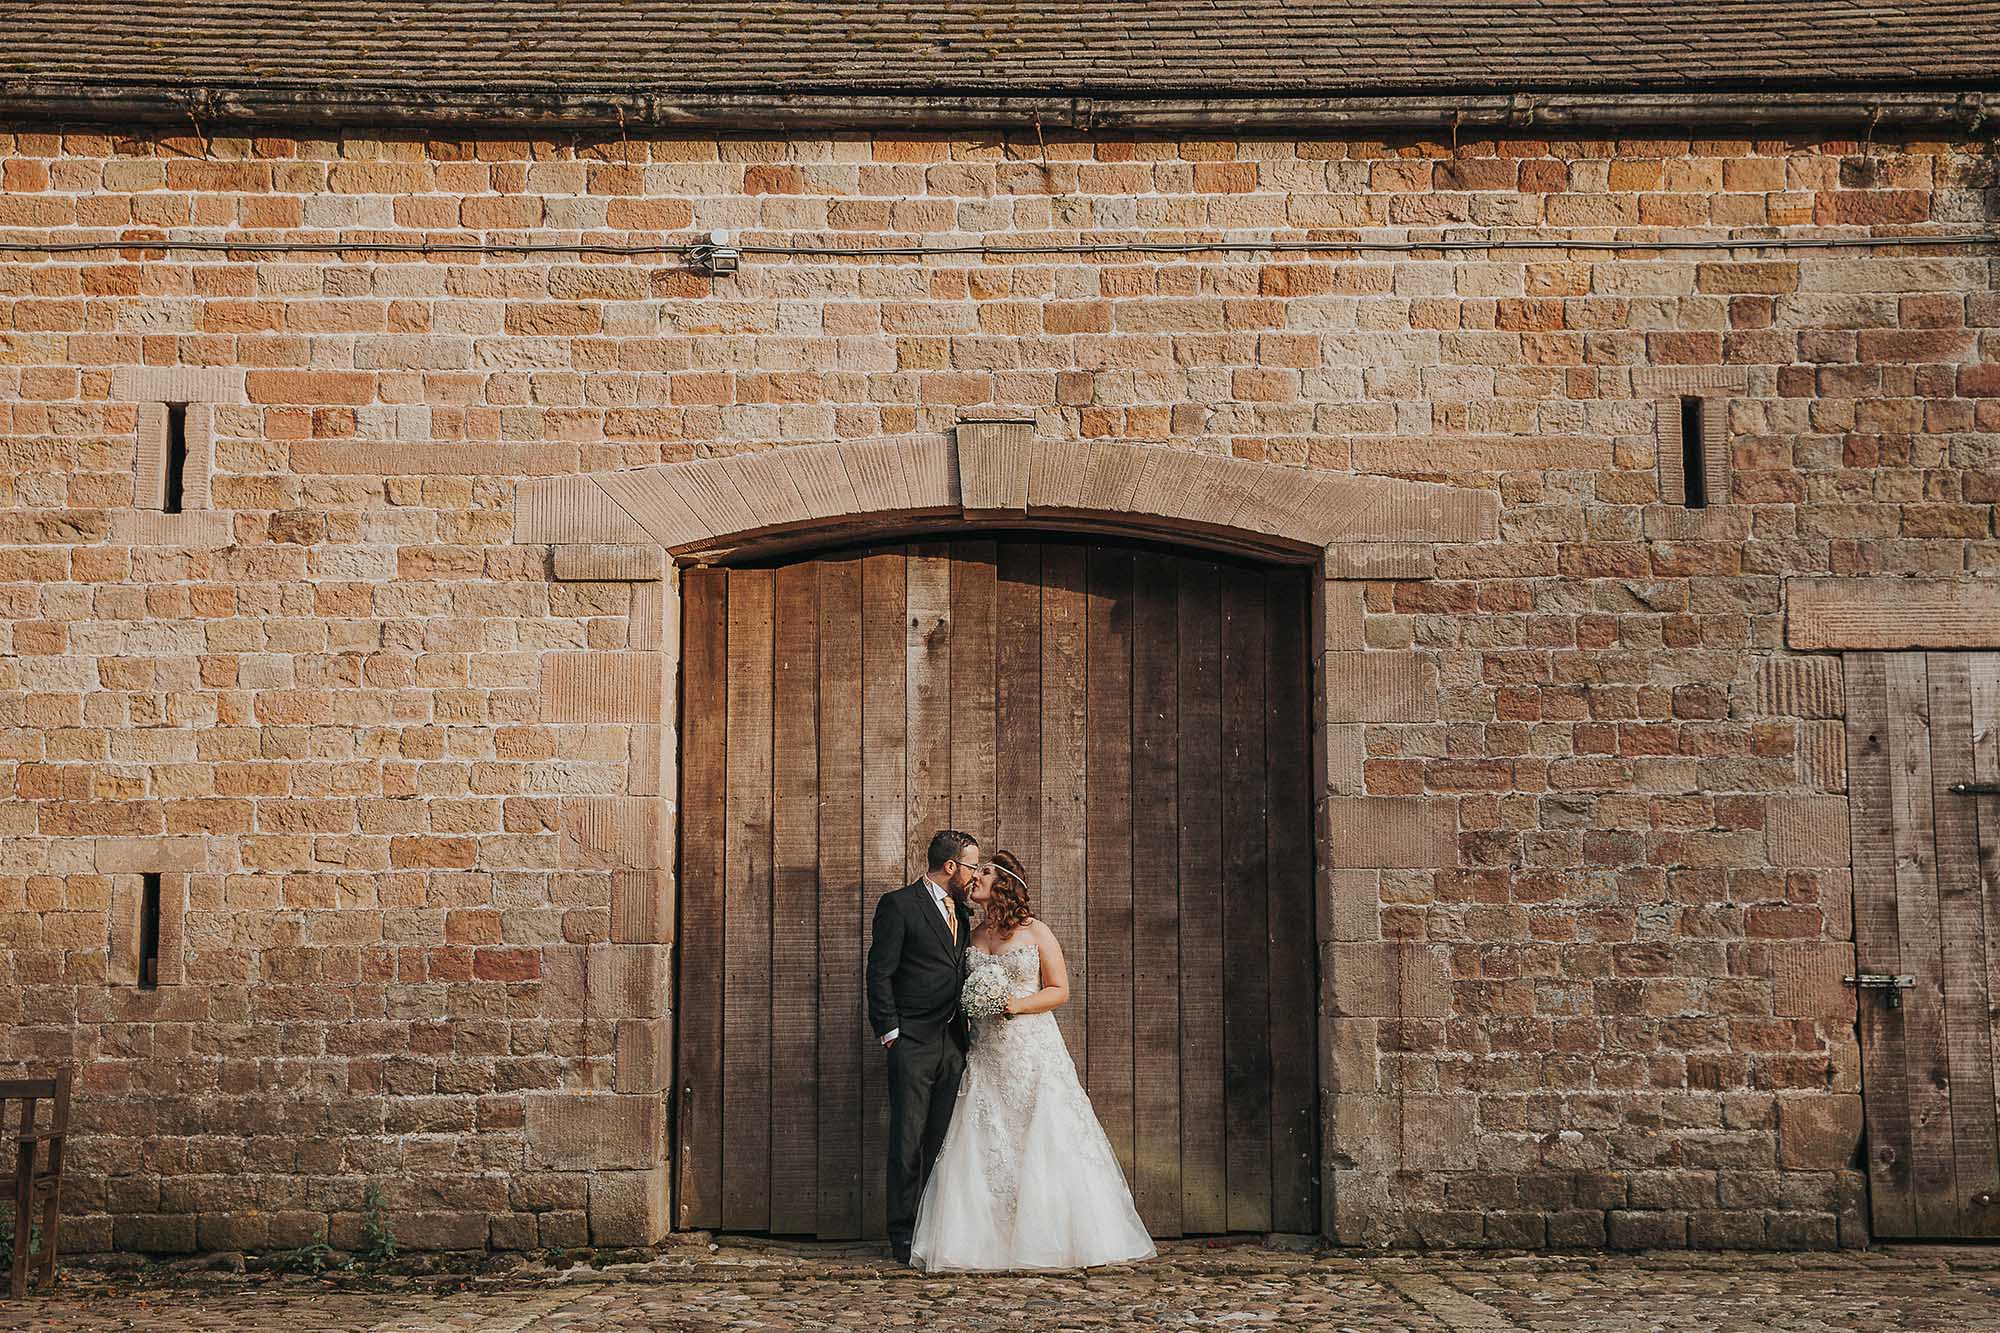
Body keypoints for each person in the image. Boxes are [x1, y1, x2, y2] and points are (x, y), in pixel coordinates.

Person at [908, 850, 1156, 1271]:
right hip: (987, 1053)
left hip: (1031, 1049)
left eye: (984, 872)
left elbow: (1059, 989)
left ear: (1003, 883)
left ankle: (1050, 1238)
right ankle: (988, 1241)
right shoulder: (971, 936)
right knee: (987, 1137)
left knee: (1046, 1134)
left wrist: (1015, 1005)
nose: (976, 877)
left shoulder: (1036, 931)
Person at [865, 828, 980, 1266]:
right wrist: (890, 1032)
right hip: (912, 1040)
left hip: (954, 1041)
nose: (974, 874)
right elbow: (880, 972)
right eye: (971, 865)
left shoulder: (964, 914)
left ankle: (935, 1231)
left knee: (942, 1140)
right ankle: (902, 1236)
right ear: (950, 866)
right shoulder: (899, 905)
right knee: (907, 1139)